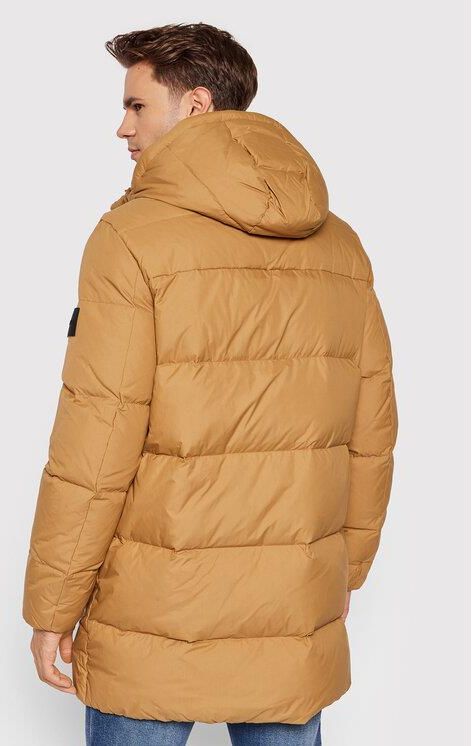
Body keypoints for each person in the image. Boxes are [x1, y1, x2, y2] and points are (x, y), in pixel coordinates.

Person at [22, 21, 398, 746]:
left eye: (137, 106)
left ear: (195, 104)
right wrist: (341, 573)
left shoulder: (131, 239)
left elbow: (96, 442)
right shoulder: (340, 244)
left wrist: (53, 606)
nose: (122, 127)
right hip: (292, 604)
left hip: (153, 614)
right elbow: (372, 429)